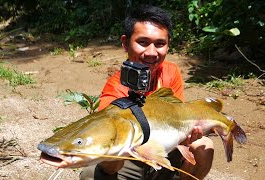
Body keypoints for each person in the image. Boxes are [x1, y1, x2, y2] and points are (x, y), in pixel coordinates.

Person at [80, 5, 214, 180]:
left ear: (168, 45)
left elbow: (177, 116)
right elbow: (109, 142)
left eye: (160, 44)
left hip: (165, 148)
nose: (151, 53)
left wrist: (186, 137)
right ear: (125, 43)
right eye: (143, 42)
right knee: (92, 174)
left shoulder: (171, 71)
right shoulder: (115, 89)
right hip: (131, 157)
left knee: (205, 145)